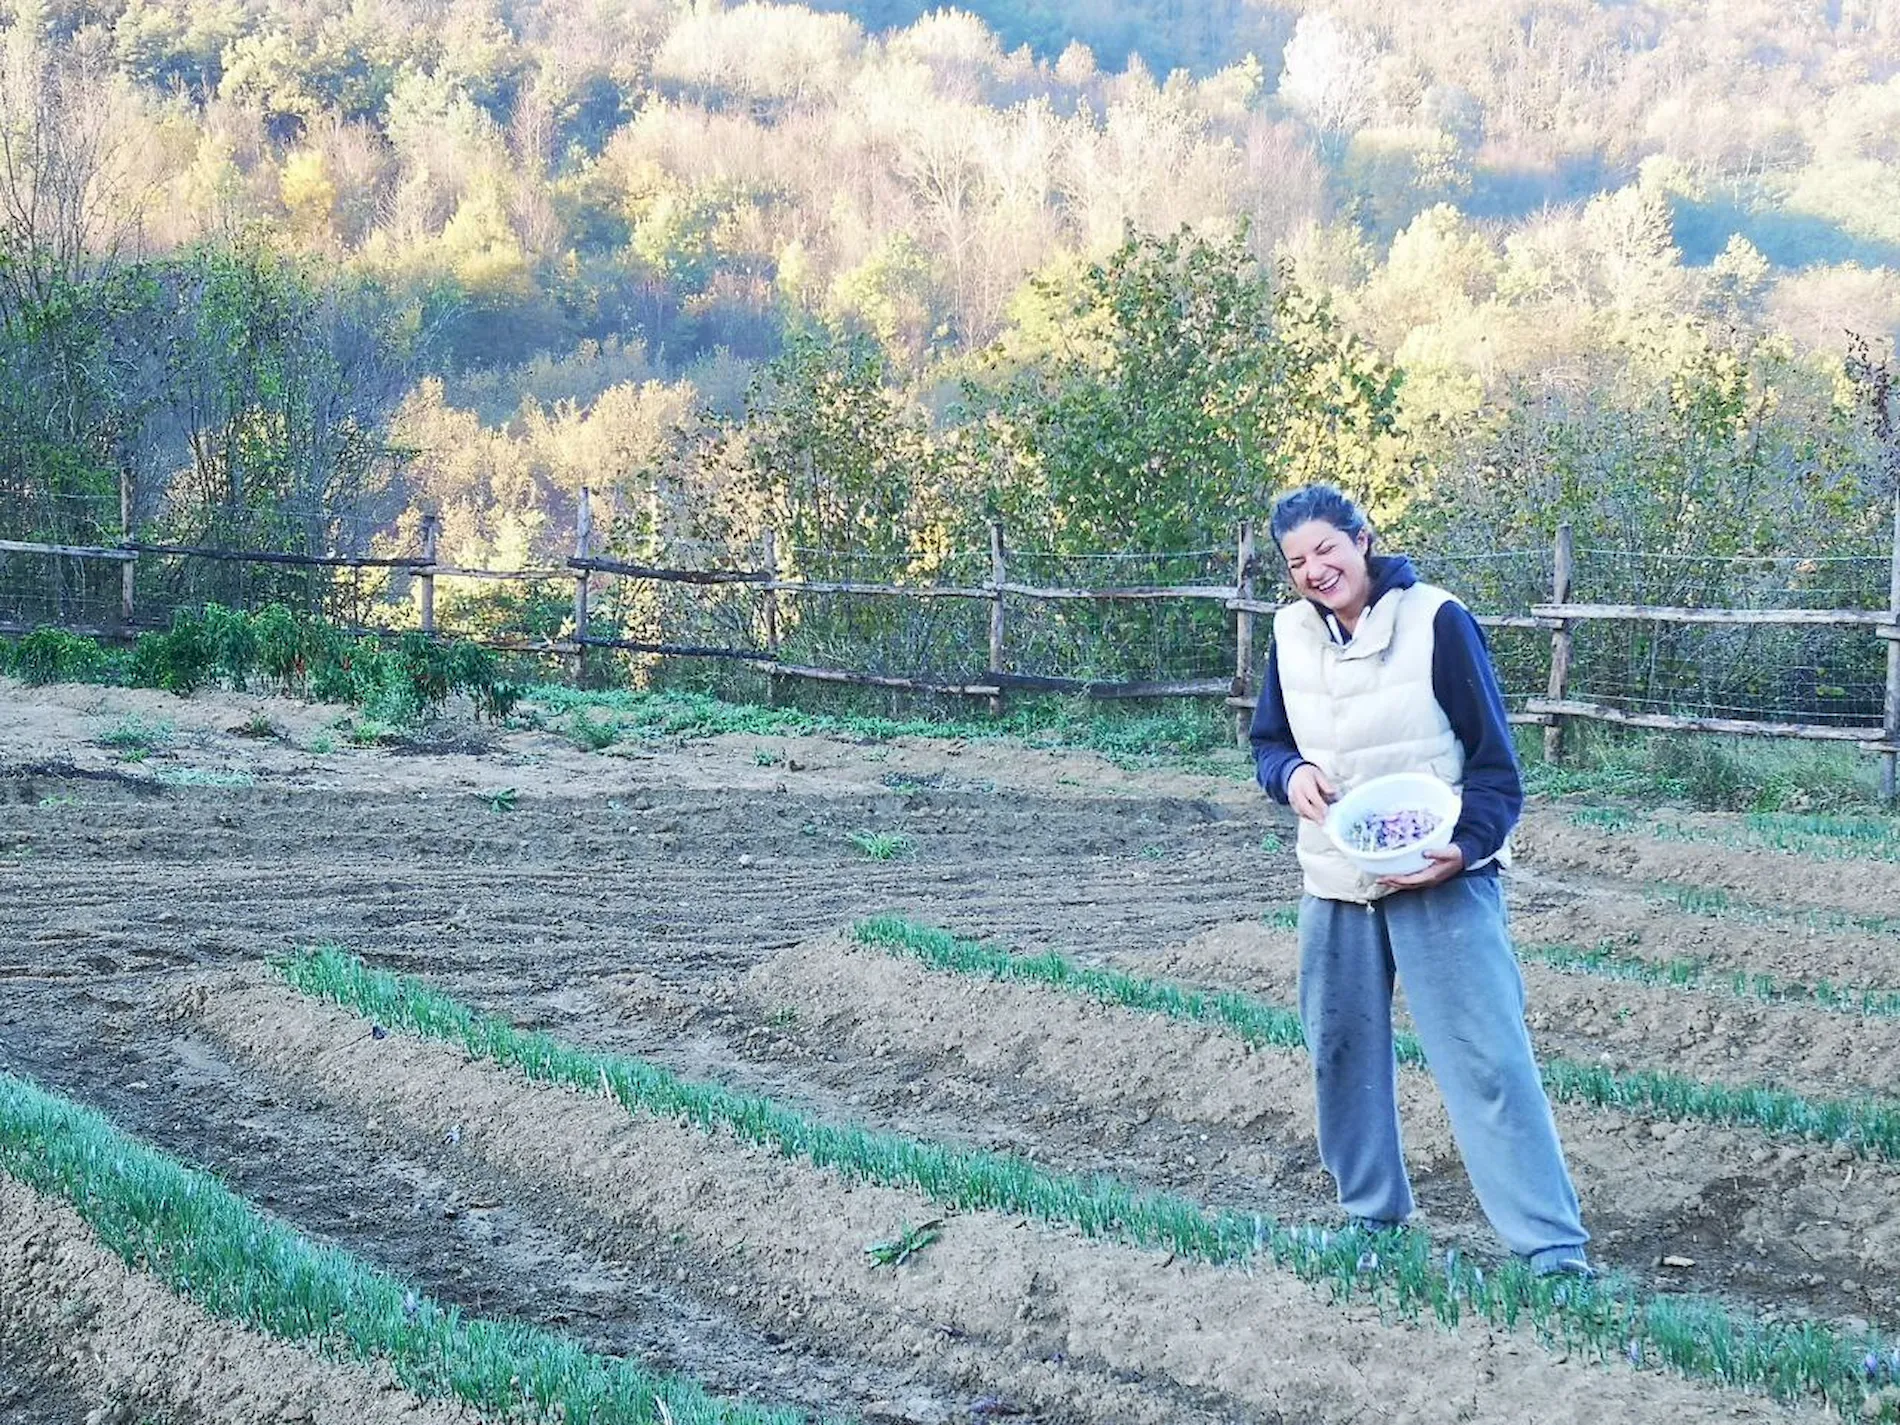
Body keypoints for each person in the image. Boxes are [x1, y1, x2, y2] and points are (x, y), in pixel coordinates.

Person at [1248, 482, 1592, 1278]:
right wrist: (1288, 773)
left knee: (1487, 1055)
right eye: (1297, 560)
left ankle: (1551, 1248)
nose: (1315, 570)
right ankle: (1374, 1217)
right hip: (1337, 872)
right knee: (1340, 1051)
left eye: (1327, 549)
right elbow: (1269, 741)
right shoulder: (1290, 635)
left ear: (1363, 539)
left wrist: (1467, 846)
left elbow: (1498, 768)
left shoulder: (1438, 619)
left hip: (1438, 868)